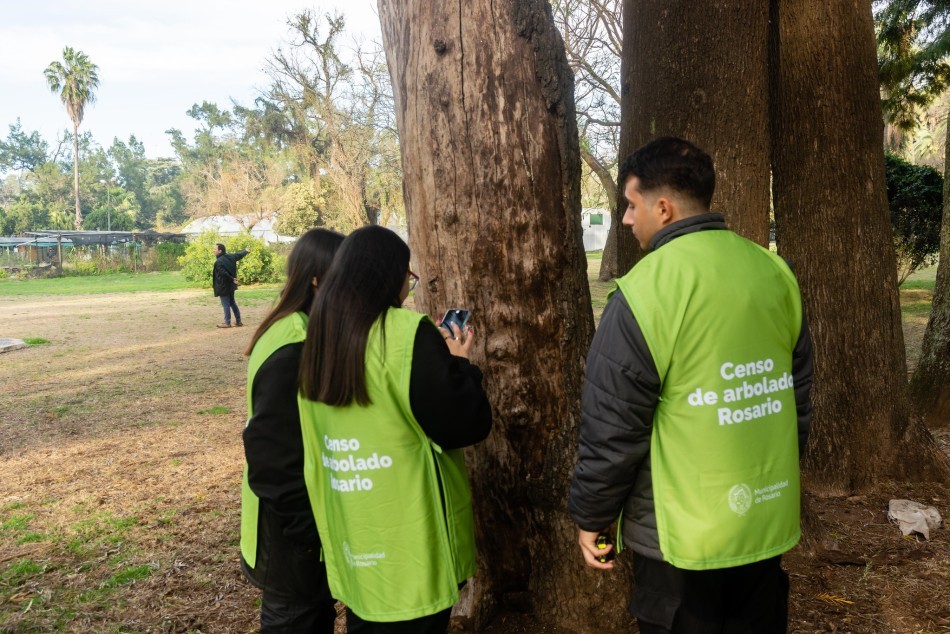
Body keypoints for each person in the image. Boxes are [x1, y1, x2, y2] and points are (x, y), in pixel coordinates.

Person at [568, 137, 814, 633]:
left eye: (631, 205)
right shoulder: (773, 272)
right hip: (763, 517)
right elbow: (796, 398)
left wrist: (592, 515)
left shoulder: (644, 293)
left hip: (682, 538)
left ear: (663, 207)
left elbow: (613, 427)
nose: (627, 220)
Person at [297, 225, 492, 633]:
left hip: (355, 537)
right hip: (411, 546)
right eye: (408, 275)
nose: (409, 284)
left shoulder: (319, 334)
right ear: (389, 276)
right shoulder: (406, 332)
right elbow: (464, 423)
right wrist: (457, 364)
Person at [240, 228, 344, 633]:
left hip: (293, 530)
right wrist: (308, 534)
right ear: (317, 279)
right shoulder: (293, 348)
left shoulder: (295, 327)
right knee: (296, 620)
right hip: (289, 536)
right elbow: (270, 456)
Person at [213, 243, 249, 328]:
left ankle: (227, 322)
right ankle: (238, 321)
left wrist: (232, 279)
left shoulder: (218, 262)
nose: (213, 251)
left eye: (215, 249)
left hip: (223, 286)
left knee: (226, 304)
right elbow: (239, 255)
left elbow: (223, 273)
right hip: (231, 285)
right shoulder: (230, 256)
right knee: (232, 302)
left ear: (220, 251)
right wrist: (246, 251)